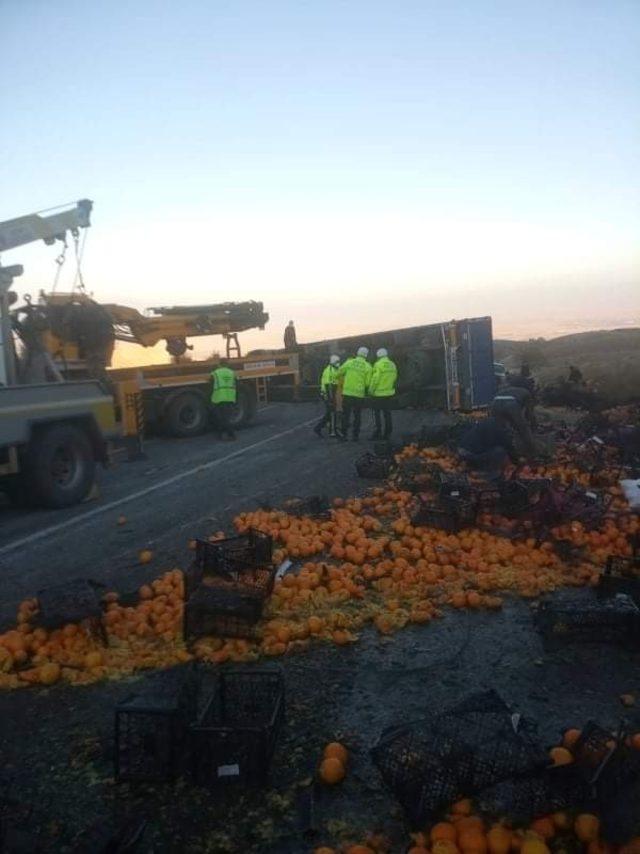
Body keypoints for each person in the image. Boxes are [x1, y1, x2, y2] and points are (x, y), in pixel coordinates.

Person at [490, 383, 537, 457]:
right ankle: (533, 451)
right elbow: (529, 414)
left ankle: (503, 451)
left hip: (495, 404)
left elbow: (511, 419)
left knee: (500, 429)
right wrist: (534, 426)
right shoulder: (528, 394)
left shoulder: (511, 390)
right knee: (523, 428)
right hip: (510, 404)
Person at [337, 346, 372, 441]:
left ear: (357, 353)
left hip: (347, 393)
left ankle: (343, 435)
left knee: (346, 415)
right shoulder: (368, 366)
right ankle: (355, 436)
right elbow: (368, 383)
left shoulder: (349, 362)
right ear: (366, 355)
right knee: (357, 416)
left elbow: (339, 372)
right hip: (359, 395)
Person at [369, 348, 397, 440]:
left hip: (378, 394)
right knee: (387, 414)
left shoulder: (378, 365)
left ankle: (378, 432)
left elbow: (375, 379)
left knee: (376, 414)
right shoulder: (392, 364)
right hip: (389, 393)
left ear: (378, 356)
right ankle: (388, 433)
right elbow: (395, 377)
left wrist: (371, 391)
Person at [314, 355, 341, 437]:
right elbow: (328, 385)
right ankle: (332, 431)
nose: (338, 363)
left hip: (331, 393)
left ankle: (319, 428)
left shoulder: (334, 369)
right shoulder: (329, 371)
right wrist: (330, 399)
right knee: (332, 413)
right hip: (328, 394)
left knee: (330, 413)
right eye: (337, 362)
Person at [210, 359, 237, 440]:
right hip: (230, 397)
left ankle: (228, 435)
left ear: (219, 364)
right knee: (227, 417)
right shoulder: (232, 372)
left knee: (221, 418)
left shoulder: (215, 373)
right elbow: (236, 382)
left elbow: (210, 380)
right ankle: (229, 435)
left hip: (219, 398)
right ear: (227, 364)